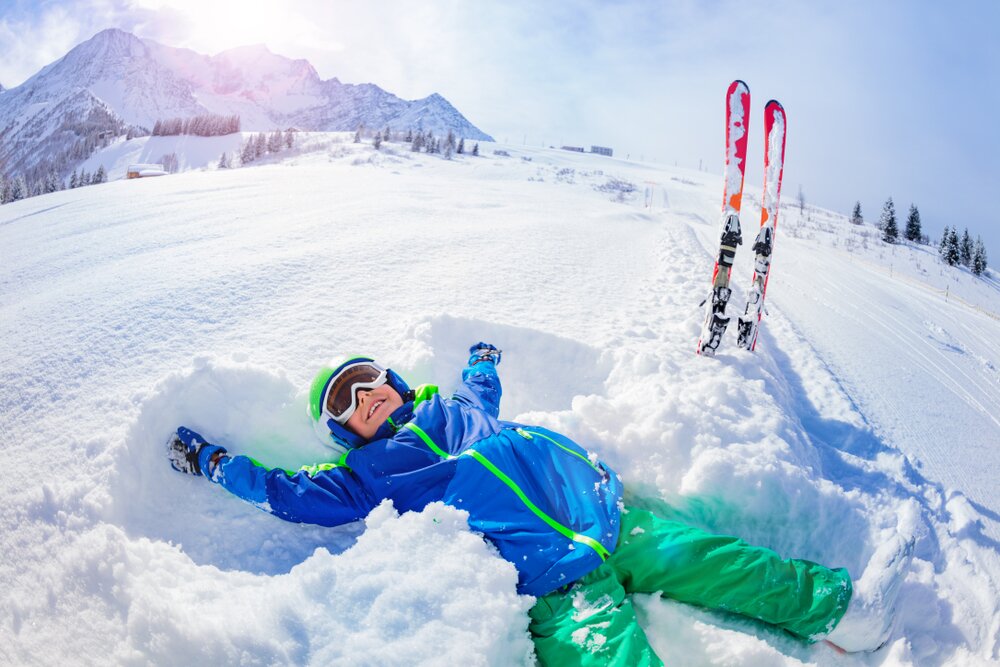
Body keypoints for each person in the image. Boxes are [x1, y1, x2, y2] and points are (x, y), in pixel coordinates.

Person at [168, 344, 910, 665]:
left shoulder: (452, 408)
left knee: (724, 562)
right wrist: (215, 462)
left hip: (605, 513)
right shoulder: (367, 476)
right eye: (351, 404)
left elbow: (482, 388)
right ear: (344, 432)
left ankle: (843, 610)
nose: (369, 398)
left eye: (369, 380)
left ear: (393, 376)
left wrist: (482, 361)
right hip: (552, 588)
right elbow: (284, 494)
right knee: (613, 662)